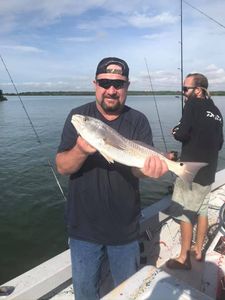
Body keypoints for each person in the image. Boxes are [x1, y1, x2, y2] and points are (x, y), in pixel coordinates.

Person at [56, 57, 168, 299]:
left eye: (118, 84)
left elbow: (138, 169)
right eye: (105, 82)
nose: (111, 90)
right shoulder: (79, 116)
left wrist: (149, 170)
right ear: (95, 84)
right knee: (85, 293)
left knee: (127, 293)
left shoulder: (138, 120)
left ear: (127, 86)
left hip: (125, 228)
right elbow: (62, 167)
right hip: (83, 228)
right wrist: (80, 150)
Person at [166, 73, 223, 270]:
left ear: (197, 90)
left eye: (185, 89)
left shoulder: (191, 105)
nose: (183, 93)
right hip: (209, 172)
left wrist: (175, 131)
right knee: (202, 210)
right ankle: (198, 251)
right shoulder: (217, 111)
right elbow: (219, 144)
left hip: (190, 172)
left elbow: (181, 133)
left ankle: (183, 258)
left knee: (185, 213)